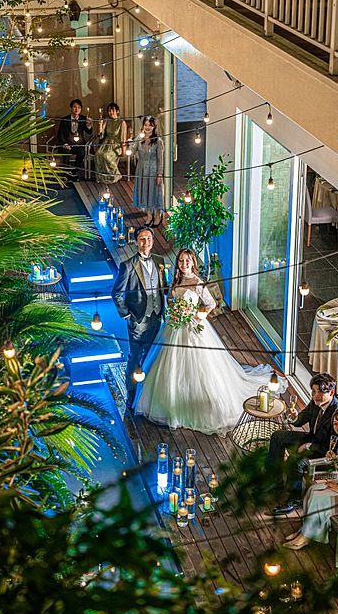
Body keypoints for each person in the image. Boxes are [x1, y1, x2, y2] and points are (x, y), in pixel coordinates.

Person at [135, 249, 278, 436]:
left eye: (187, 261)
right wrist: (175, 311)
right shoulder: (176, 281)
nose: (184, 264)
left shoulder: (198, 283)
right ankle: (171, 406)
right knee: (170, 365)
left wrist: (196, 315)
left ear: (193, 262)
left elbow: (211, 304)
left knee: (201, 367)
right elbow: (170, 300)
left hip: (193, 327)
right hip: (175, 326)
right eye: (181, 261)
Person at [284, 407, 338, 549]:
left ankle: (306, 537)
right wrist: (335, 458)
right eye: (335, 424)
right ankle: (305, 531)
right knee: (312, 490)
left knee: (319, 498)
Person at [265, 373, 338, 515]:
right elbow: (302, 418)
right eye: (313, 391)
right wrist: (295, 417)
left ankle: (295, 499)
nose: (315, 396)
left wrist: (308, 446)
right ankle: (275, 480)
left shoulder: (337, 414)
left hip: (324, 454)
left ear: (331, 392)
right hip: (312, 439)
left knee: (295, 461)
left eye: (320, 392)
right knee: (278, 437)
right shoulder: (316, 401)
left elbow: (334, 448)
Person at [111, 227, 167, 410]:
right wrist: (127, 314)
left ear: (153, 240)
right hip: (138, 319)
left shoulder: (159, 260)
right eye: (142, 239)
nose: (146, 242)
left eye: (149, 238)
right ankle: (131, 393)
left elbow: (163, 287)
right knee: (134, 356)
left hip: (157, 316)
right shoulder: (128, 265)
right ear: (136, 242)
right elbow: (116, 293)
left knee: (151, 354)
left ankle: (148, 392)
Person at [130, 115, 165, 226]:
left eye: (150, 125)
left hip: (153, 170)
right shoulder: (139, 139)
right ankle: (149, 215)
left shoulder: (158, 141)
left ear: (154, 127)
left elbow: (160, 159)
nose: (147, 127)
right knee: (145, 191)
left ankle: (158, 214)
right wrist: (129, 146)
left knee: (155, 192)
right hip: (141, 169)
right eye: (145, 125)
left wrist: (160, 174)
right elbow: (132, 151)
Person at [56, 99, 94, 180]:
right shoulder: (64, 119)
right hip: (67, 144)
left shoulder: (84, 118)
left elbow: (89, 132)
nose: (77, 109)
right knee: (65, 152)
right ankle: (66, 173)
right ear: (70, 108)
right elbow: (60, 134)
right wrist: (65, 144)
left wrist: (89, 125)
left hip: (79, 144)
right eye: (74, 107)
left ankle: (74, 172)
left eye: (79, 107)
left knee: (82, 152)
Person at [95, 101, 127, 183]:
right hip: (106, 143)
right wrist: (100, 125)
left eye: (112, 110)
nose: (110, 112)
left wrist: (123, 151)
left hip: (117, 145)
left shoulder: (121, 122)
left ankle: (115, 174)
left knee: (106, 156)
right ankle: (102, 177)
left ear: (117, 111)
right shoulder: (107, 120)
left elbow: (123, 138)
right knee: (98, 154)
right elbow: (100, 135)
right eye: (109, 110)